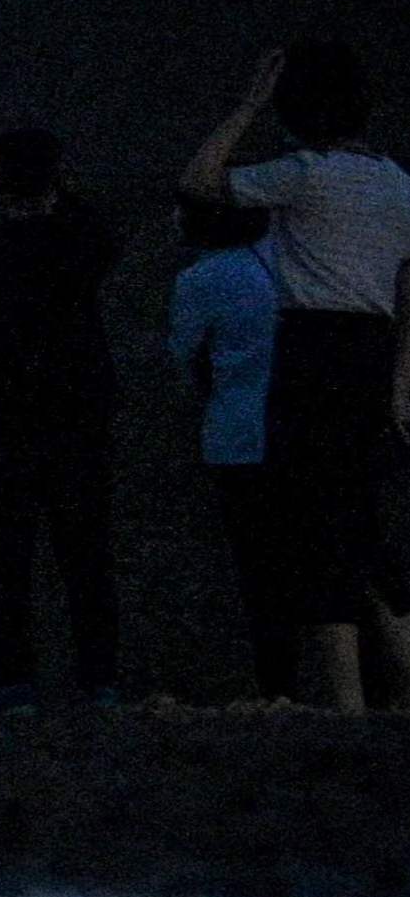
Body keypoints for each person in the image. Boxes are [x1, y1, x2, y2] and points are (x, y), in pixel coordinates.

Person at [180, 37, 410, 711]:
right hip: (371, 351)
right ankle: (394, 693)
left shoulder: (304, 174)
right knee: (362, 523)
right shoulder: (398, 185)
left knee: (311, 524)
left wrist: (245, 106)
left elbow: (198, 181)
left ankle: (345, 703)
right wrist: (401, 382)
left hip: (310, 348)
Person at [0, 125, 120, 706]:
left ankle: (17, 679)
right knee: (83, 552)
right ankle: (97, 680)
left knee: (7, 554)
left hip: (4, 410)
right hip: (73, 406)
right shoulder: (79, 228)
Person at [171, 192, 292, 695]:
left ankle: (276, 685)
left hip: (236, 434)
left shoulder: (201, 280)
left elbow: (185, 356)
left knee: (258, 568)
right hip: (300, 428)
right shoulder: (287, 264)